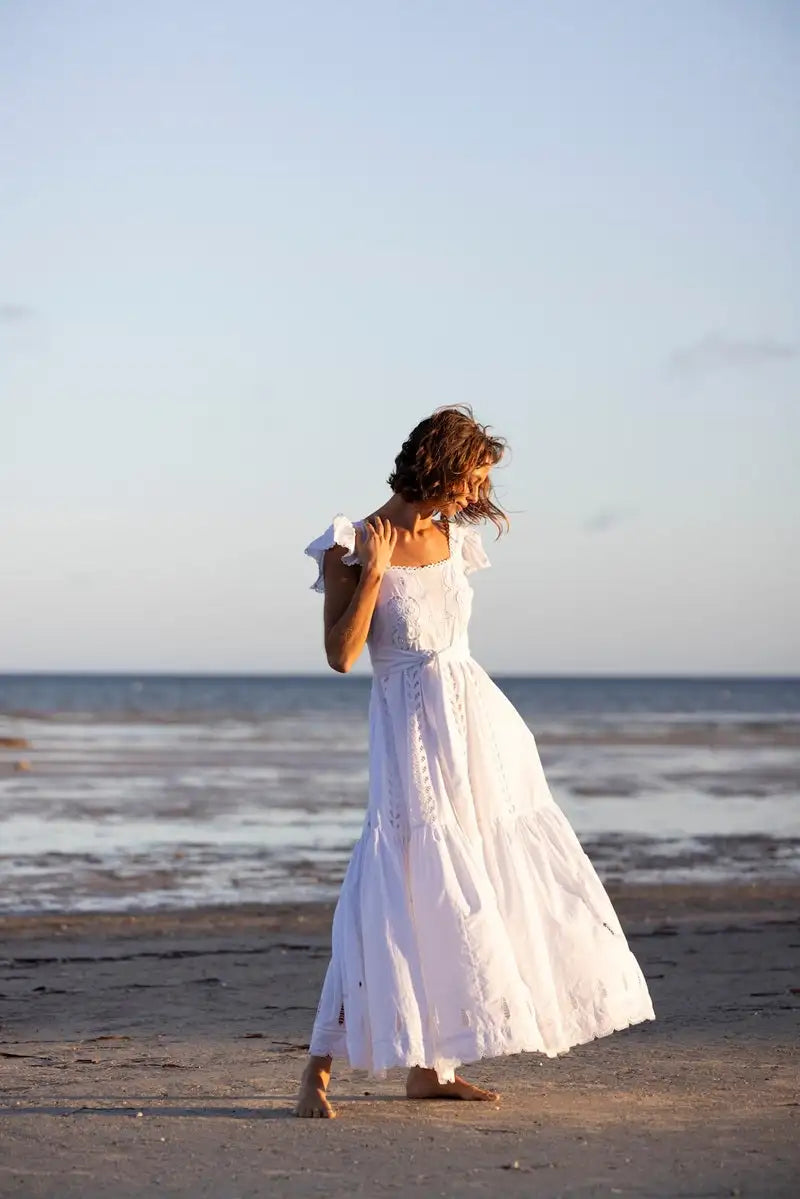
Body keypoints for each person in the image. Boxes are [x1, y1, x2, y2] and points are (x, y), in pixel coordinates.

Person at [294, 405, 655, 1118]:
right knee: (392, 883)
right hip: (409, 738)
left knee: (468, 883)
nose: (474, 495)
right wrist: (376, 572)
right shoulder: (353, 541)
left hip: (480, 732)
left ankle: (434, 1067)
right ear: (440, 462)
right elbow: (340, 655)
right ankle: (317, 1067)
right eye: (470, 478)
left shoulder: (457, 537)